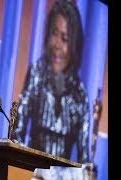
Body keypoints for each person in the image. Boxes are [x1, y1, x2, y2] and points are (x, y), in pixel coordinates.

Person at [14, 0, 89, 169]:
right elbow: (16, 133)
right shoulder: (36, 73)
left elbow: (84, 158)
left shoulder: (80, 93)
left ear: (74, 46)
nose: (57, 45)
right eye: (55, 33)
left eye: (65, 38)